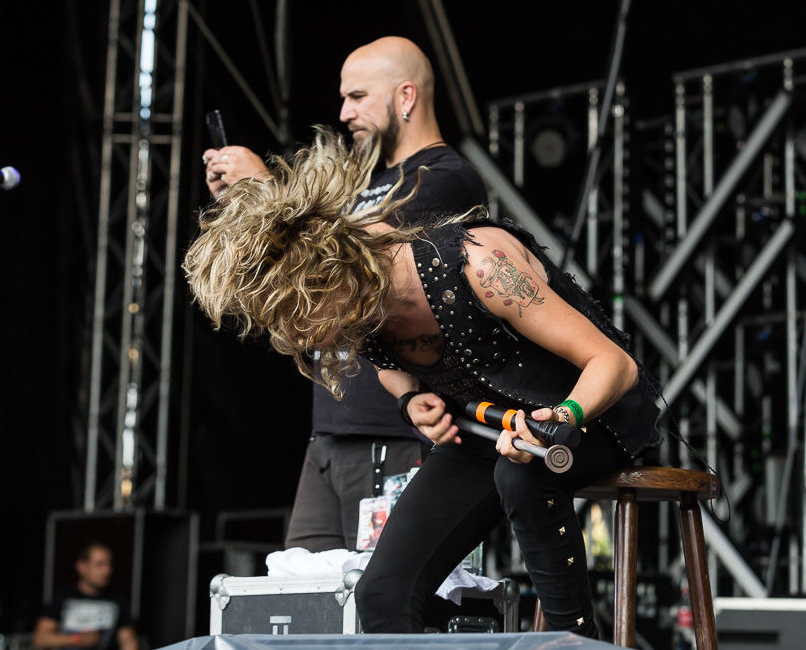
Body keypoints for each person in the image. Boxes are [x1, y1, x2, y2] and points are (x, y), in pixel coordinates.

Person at [183, 128, 662, 637]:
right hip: (489, 437)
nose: (305, 337)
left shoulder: (479, 266)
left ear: (334, 275)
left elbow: (614, 364)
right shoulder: (355, 309)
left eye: (304, 317)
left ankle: (575, 642)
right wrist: (411, 398)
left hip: (592, 417)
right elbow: (388, 363)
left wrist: (560, 418)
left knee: (521, 475)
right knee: (380, 593)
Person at [201, 36, 486, 552]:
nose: (344, 112)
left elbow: (354, 259)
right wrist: (247, 205)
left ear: (405, 97)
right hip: (330, 433)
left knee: (377, 593)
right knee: (302, 590)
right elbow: (302, 272)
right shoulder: (359, 184)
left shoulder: (445, 179)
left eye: (357, 97)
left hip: (396, 428)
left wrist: (268, 188)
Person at [33, 542, 140, 650]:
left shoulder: (117, 600)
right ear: (82, 567)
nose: (107, 570)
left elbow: (128, 641)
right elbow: (40, 639)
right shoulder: (63, 597)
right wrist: (77, 639)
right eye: (99, 564)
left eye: (109, 564)